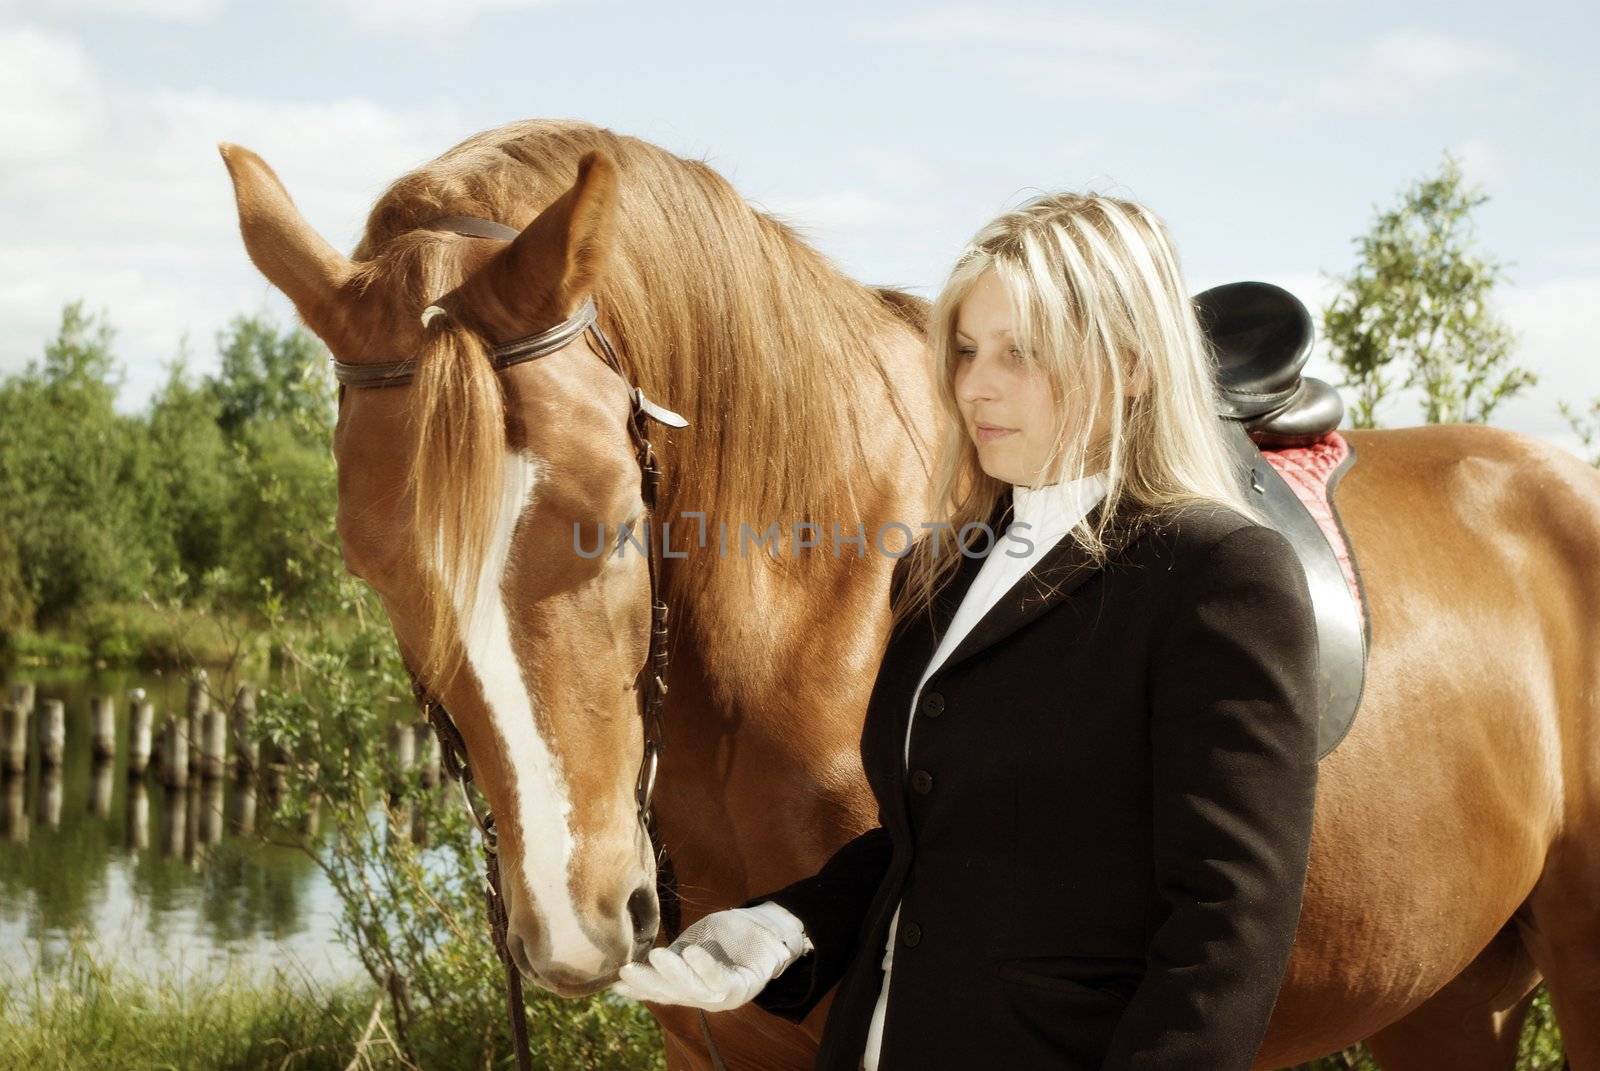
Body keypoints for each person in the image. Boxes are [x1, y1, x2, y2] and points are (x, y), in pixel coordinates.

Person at [610, 191, 1321, 1070]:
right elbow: (943, 837)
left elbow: (1228, 926)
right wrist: (787, 924)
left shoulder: (1215, 573)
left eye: (1022, 352)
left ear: (1132, 364)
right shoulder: (943, 570)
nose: (976, 383)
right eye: (967, 349)